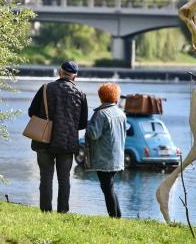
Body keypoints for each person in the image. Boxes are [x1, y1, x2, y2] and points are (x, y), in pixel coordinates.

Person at [28, 61, 88, 213]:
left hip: (44, 141)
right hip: (67, 144)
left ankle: (46, 211)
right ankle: (62, 212)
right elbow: (82, 123)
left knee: (46, 177)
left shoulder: (45, 88)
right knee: (64, 179)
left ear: (60, 72)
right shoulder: (80, 94)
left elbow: (31, 112)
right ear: (75, 77)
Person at [86, 83, 126, 218]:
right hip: (117, 156)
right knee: (109, 186)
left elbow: (93, 134)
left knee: (107, 187)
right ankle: (118, 215)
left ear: (101, 96)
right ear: (116, 97)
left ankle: (114, 217)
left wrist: (87, 123)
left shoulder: (101, 113)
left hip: (104, 157)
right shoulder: (121, 113)